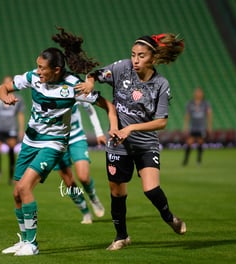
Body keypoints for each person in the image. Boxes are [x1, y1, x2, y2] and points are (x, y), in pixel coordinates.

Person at [0, 28, 118, 256]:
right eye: (38, 66)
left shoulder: (74, 86)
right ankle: (23, 240)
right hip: (30, 141)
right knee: (16, 193)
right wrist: (5, 97)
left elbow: (107, 105)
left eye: (43, 68)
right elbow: (2, 87)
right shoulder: (33, 77)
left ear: (56, 70)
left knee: (25, 188)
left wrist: (112, 126)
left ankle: (32, 245)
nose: (38, 71)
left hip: (53, 143)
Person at [78, 33, 186, 250]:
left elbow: (161, 122)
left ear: (152, 59)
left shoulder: (161, 84)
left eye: (141, 56)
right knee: (117, 193)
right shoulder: (122, 68)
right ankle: (121, 237)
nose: (135, 60)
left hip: (145, 144)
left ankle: (170, 218)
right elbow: (94, 74)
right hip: (118, 143)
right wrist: (89, 83)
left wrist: (131, 127)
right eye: (133, 55)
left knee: (151, 189)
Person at [54, 101, 106, 224]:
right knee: (68, 182)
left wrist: (99, 132)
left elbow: (89, 108)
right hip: (56, 142)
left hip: (77, 138)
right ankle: (85, 212)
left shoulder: (73, 86)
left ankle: (93, 197)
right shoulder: (44, 90)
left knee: (83, 177)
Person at [0, 76, 25, 184]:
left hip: (11, 128)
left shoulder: (18, 98)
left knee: (11, 150)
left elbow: (20, 115)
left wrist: (21, 129)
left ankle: (11, 176)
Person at [182, 88, 212, 166]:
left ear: (202, 94)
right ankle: (185, 160)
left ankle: (198, 161)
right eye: (197, 92)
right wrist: (185, 126)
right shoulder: (190, 103)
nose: (198, 94)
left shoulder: (205, 103)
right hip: (193, 127)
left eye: (200, 92)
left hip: (201, 127)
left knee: (200, 142)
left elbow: (209, 115)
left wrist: (209, 126)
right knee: (189, 142)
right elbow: (187, 115)